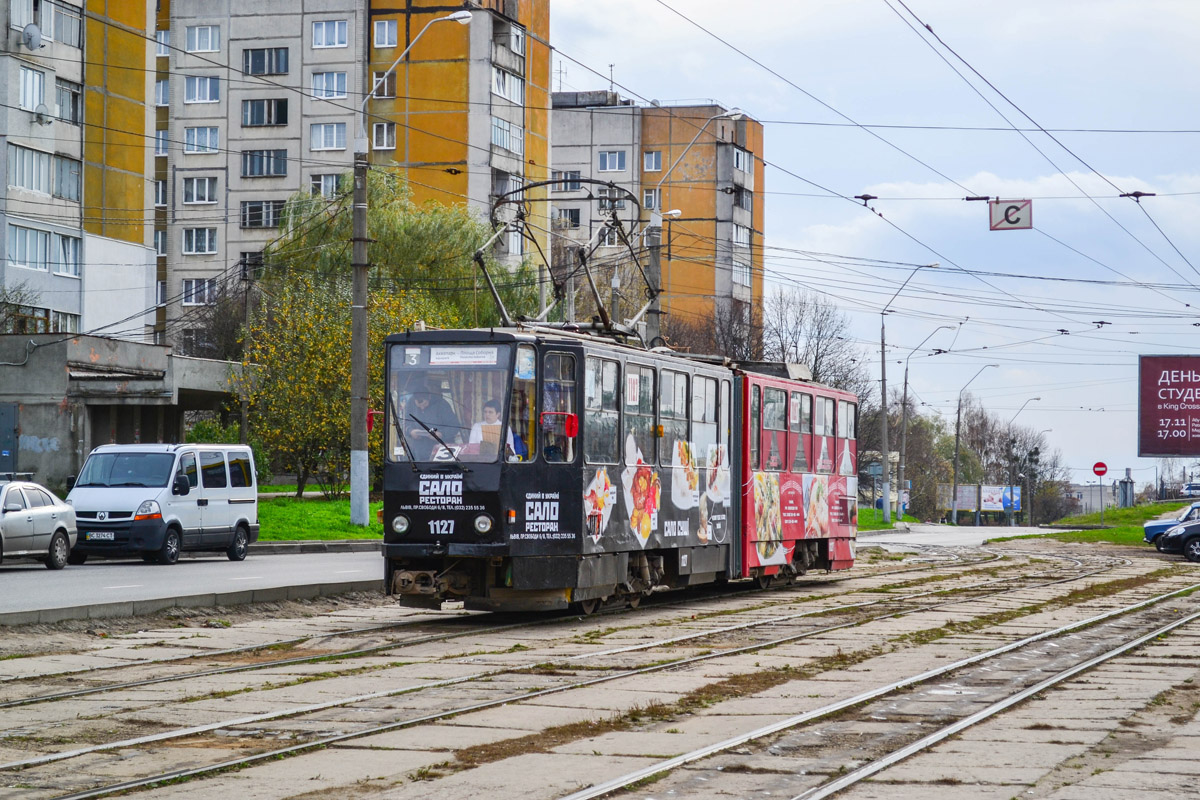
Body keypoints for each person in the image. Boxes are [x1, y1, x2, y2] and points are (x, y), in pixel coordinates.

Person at [404, 380, 461, 459]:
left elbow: (455, 426)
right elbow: (405, 423)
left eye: (424, 405)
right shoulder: (411, 403)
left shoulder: (442, 405)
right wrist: (410, 431)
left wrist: (441, 434)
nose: (422, 408)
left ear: (429, 397)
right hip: (419, 451)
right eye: (419, 407)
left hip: (441, 450)